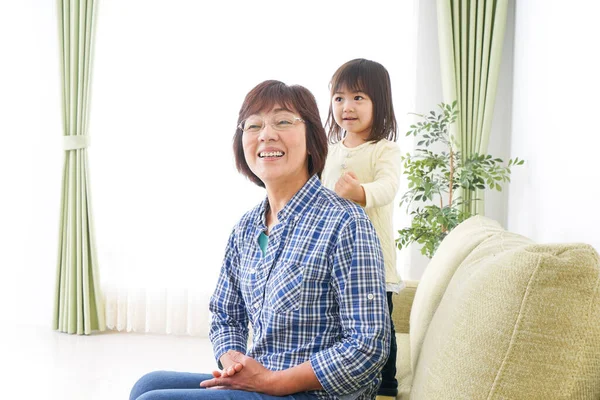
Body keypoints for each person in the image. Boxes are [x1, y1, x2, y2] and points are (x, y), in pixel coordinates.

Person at [129, 80, 390, 400]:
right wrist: (234, 362)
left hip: (314, 393)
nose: (267, 133)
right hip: (263, 376)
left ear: (312, 140)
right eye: (254, 125)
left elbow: (367, 345)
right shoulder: (247, 227)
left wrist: (273, 382)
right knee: (147, 385)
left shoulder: (345, 222)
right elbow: (226, 314)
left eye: (283, 121)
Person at [321, 59, 404, 399]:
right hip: (335, 259)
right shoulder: (329, 150)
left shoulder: (384, 150)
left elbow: (388, 187)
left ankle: (386, 386)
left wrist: (360, 193)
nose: (347, 107)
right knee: (338, 322)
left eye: (358, 98)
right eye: (339, 98)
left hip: (372, 260)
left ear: (379, 103)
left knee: (379, 324)